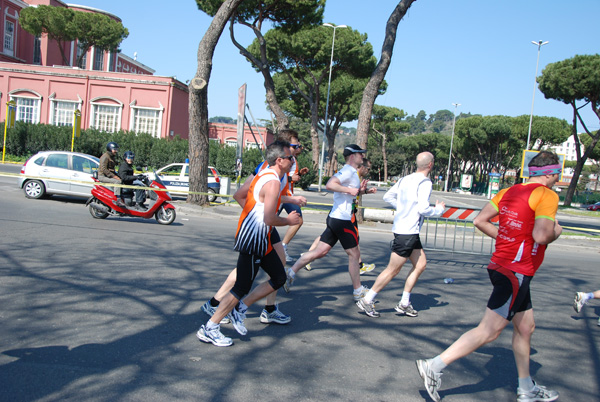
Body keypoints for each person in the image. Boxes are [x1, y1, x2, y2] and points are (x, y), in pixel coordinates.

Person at [416, 150, 563, 402]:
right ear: (550, 173)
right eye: (558, 172)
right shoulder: (546, 195)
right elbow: (541, 235)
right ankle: (435, 365)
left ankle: (526, 389)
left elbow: (480, 220)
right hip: (516, 271)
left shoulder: (509, 191)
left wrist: (506, 239)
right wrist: (557, 231)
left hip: (502, 266)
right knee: (489, 331)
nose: (559, 176)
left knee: (525, 328)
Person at [196, 142, 301, 347]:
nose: (293, 161)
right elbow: (270, 218)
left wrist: (292, 198)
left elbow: (262, 199)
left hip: (262, 238)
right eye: (290, 158)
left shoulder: (266, 174)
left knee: (279, 277)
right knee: (240, 286)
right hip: (254, 239)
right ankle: (210, 327)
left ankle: (240, 309)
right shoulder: (272, 181)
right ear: (279, 160)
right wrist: (289, 221)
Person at [356, 152, 445, 318]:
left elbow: (387, 196)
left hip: (407, 230)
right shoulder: (425, 182)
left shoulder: (405, 178)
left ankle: (404, 302)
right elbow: (423, 209)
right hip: (408, 232)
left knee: (421, 265)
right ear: (430, 165)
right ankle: (367, 300)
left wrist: (403, 207)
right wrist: (439, 210)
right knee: (392, 270)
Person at [284, 144, 370, 302]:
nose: (362, 157)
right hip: (341, 219)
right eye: (360, 154)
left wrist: (362, 191)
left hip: (337, 217)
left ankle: (291, 273)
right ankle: (358, 291)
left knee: (320, 252)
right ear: (352, 156)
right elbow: (330, 184)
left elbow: (348, 191)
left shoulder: (351, 172)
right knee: (354, 254)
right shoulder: (348, 170)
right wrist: (349, 191)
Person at [302, 158, 377, 274]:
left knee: (328, 237)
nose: (368, 171)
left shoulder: (356, 176)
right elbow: (338, 188)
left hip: (345, 213)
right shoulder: (351, 174)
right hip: (343, 215)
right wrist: (354, 196)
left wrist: (366, 192)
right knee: (352, 239)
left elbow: (353, 193)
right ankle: (359, 265)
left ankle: (307, 257)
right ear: (362, 167)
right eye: (368, 168)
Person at [280, 138, 309, 263]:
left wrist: (300, 175)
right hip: (282, 195)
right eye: (297, 146)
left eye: (299, 145)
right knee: (267, 222)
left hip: (288, 195)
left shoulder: (293, 160)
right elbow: (277, 174)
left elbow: (289, 177)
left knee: (298, 220)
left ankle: (282, 247)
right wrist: (292, 178)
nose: (299, 148)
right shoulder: (283, 158)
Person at [98, 142, 125, 208]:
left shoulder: (111, 156)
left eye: (116, 149)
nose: (116, 151)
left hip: (108, 175)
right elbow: (104, 169)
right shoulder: (105, 157)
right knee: (117, 182)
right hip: (103, 176)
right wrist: (114, 176)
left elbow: (113, 167)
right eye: (114, 149)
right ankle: (118, 199)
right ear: (110, 149)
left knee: (122, 179)